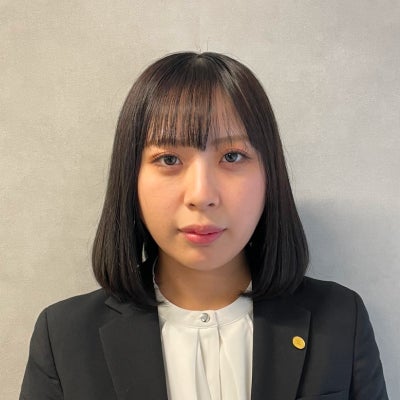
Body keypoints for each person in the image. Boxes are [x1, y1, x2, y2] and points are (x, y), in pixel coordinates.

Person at [20, 52, 388, 400]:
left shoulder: (340, 318)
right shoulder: (65, 336)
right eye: (169, 159)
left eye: (232, 156)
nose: (201, 195)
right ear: (130, 178)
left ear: (270, 175)